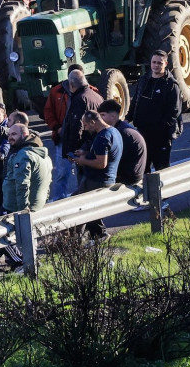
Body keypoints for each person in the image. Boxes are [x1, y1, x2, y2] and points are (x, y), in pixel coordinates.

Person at [71, 110, 123, 242]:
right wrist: (86, 152)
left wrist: (83, 161)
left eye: (86, 125)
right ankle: (90, 236)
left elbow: (101, 163)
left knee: (85, 208)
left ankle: (98, 235)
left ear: (93, 122)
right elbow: (105, 153)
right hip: (106, 178)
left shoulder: (102, 137)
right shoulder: (113, 131)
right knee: (80, 203)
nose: (85, 128)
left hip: (97, 180)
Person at [127, 51, 182, 172]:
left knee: (162, 169)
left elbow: (174, 111)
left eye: (159, 63)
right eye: (154, 62)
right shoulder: (144, 80)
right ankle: (146, 191)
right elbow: (136, 101)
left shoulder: (171, 85)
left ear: (166, 63)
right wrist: (127, 119)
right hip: (142, 133)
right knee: (143, 168)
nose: (156, 65)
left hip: (161, 136)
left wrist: (161, 127)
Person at [44, 65, 91, 199]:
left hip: (83, 141)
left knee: (83, 171)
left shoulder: (91, 91)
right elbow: (48, 112)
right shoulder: (56, 91)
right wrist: (57, 128)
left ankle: (82, 197)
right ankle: (59, 199)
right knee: (62, 172)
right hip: (63, 140)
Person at [61, 69, 103, 190]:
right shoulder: (97, 96)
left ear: (71, 85)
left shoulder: (79, 99)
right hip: (96, 145)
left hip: (84, 147)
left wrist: (72, 151)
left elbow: (76, 126)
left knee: (84, 184)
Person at [3, 123, 52, 212]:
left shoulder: (24, 155)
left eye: (14, 134)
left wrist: (23, 210)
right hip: (36, 206)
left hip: (16, 209)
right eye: (9, 135)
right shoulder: (42, 153)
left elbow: (22, 184)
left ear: (24, 135)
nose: (10, 138)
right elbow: (48, 184)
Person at [100, 100, 147, 186]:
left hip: (129, 178)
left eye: (102, 115)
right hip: (131, 173)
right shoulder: (122, 128)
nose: (100, 119)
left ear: (113, 116)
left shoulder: (122, 133)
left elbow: (114, 159)